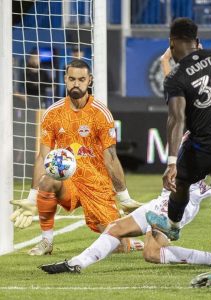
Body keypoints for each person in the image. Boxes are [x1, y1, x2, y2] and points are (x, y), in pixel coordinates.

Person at [9, 59, 143, 255]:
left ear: (89, 81)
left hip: (96, 184)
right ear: (65, 79)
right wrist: (32, 197)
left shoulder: (100, 114)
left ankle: (127, 242)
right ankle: (46, 242)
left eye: (81, 79)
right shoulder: (53, 113)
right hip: (68, 181)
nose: (76, 84)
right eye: (72, 79)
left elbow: (111, 158)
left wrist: (124, 197)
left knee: (118, 247)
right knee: (48, 180)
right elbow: (43, 156)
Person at [145, 17, 211, 264]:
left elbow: (176, 119)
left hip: (205, 147)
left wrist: (171, 163)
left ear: (172, 43)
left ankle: (173, 225)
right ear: (196, 40)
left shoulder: (176, 77)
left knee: (181, 182)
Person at [38, 180, 211, 274]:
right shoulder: (185, 135)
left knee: (152, 253)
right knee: (115, 228)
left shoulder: (205, 141)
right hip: (163, 200)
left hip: (178, 202)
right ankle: (77, 263)